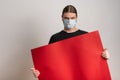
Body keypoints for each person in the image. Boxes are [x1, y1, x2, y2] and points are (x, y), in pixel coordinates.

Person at [31, 5, 110, 78]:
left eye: (72, 18)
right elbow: (49, 64)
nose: (69, 21)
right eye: (66, 18)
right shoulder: (55, 38)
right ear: (62, 18)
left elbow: (94, 62)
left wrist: (104, 56)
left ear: (76, 18)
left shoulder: (86, 36)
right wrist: (39, 73)